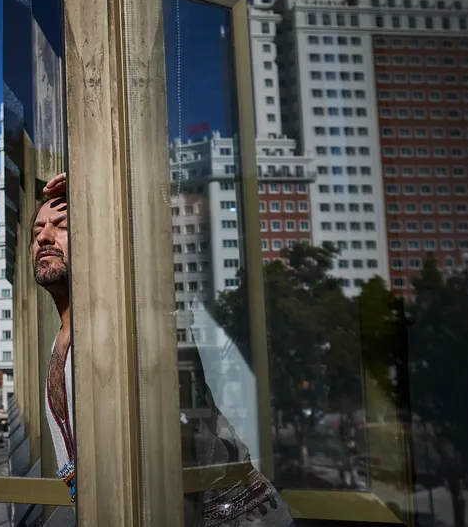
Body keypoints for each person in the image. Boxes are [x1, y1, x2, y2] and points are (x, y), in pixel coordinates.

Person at [33, 173, 292, 525]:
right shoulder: (60, 341)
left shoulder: (131, 321)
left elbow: (170, 226)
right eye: (36, 233)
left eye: (61, 225)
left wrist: (102, 190)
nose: (44, 237)